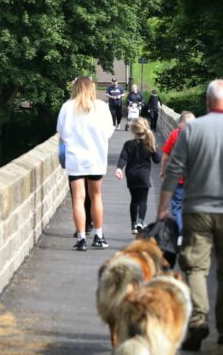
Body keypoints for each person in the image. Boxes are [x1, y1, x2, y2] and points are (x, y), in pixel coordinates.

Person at [158, 80, 223, 350]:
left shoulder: (192, 129)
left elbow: (173, 170)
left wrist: (163, 206)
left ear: (207, 103)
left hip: (196, 211)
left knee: (195, 267)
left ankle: (197, 321)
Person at [57, 76, 115, 250]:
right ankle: (98, 235)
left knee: (78, 198)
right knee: (96, 196)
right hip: (96, 158)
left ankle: (81, 239)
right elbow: (108, 132)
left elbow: (61, 132)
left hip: (75, 158)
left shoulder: (67, 107)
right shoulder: (102, 107)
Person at [115, 118, 162, 235]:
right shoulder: (149, 143)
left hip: (131, 175)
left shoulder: (128, 144)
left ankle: (133, 226)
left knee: (134, 200)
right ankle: (141, 221)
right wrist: (154, 147)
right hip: (143, 175)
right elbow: (157, 160)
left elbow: (123, 158)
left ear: (133, 130)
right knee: (142, 200)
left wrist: (119, 169)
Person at [159, 111, 195, 239]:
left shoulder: (176, 134)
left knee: (178, 207)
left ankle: (181, 233)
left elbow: (165, 156)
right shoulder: (200, 135)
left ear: (181, 123)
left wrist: (163, 172)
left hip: (177, 178)